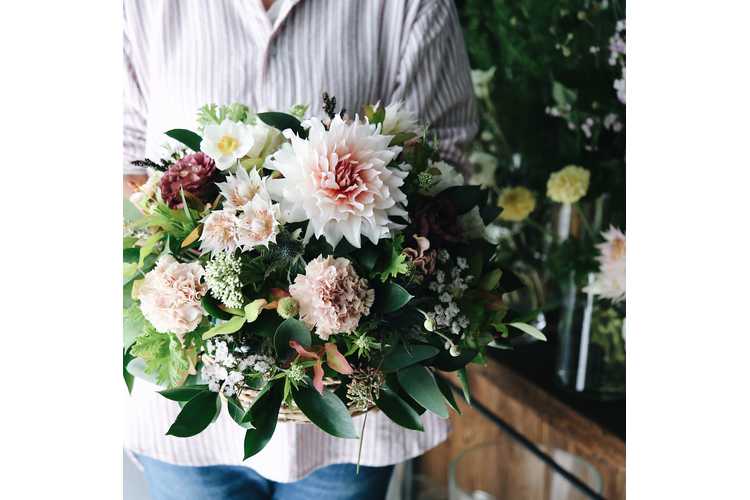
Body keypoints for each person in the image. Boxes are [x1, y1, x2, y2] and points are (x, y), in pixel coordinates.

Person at [123, 1, 477, 498]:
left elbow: (444, 162)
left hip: (351, 417)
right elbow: (121, 162)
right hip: (186, 415)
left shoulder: (410, 7)